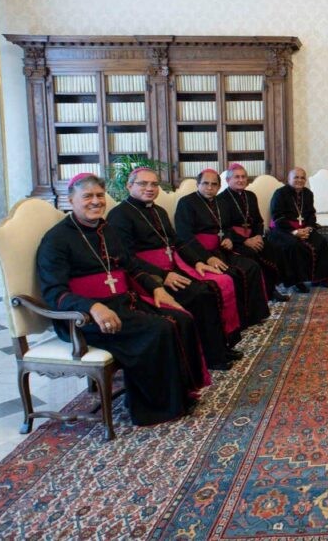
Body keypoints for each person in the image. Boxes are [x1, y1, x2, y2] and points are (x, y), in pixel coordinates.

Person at [36, 174, 205, 426]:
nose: (95, 202)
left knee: (182, 318)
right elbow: (54, 293)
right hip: (84, 319)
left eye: (99, 196)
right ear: (71, 200)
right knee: (160, 328)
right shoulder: (56, 240)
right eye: (88, 196)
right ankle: (152, 409)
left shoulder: (107, 230)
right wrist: (92, 306)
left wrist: (155, 287)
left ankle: (179, 396)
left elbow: (131, 265)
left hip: (122, 304)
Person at [109, 168, 243, 371]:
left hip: (172, 267)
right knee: (199, 295)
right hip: (147, 277)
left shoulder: (158, 211)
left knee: (208, 290)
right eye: (143, 184)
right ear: (129, 186)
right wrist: (162, 275)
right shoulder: (119, 215)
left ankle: (216, 349)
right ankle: (210, 356)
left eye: (154, 184)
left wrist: (197, 261)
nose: (150, 188)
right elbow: (127, 258)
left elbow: (177, 242)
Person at [174, 169, 272, 326]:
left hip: (221, 250)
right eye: (205, 183)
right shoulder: (186, 203)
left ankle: (254, 315)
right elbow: (185, 236)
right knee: (233, 274)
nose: (209, 187)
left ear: (219, 186)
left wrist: (227, 237)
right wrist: (206, 258)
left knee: (251, 266)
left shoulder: (221, 202)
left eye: (214, 184)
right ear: (198, 184)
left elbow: (226, 227)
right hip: (200, 253)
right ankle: (238, 320)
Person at [218, 164, 291, 303]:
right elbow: (224, 227)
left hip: (253, 237)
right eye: (236, 177)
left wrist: (257, 236)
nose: (240, 180)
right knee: (252, 254)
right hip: (235, 241)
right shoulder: (221, 199)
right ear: (228, 180)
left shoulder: (250, 196)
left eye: (243, 177)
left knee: (272, 248)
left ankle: (271, 289)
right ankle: (260, 294)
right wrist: (244, 241)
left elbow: (258, 220)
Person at [267, 167, 328, 291]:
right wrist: (294, 232)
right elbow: (277, 216)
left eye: (302, 177)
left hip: (304, 228)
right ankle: (297, 281)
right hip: (283, 230)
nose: (299, 180)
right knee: (294, 245)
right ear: (288, 179)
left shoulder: (308, 193)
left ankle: (320, 278)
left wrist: (308, 229)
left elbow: (311, 214)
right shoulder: (280, 193)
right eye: (296, 177)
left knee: (321, 241)